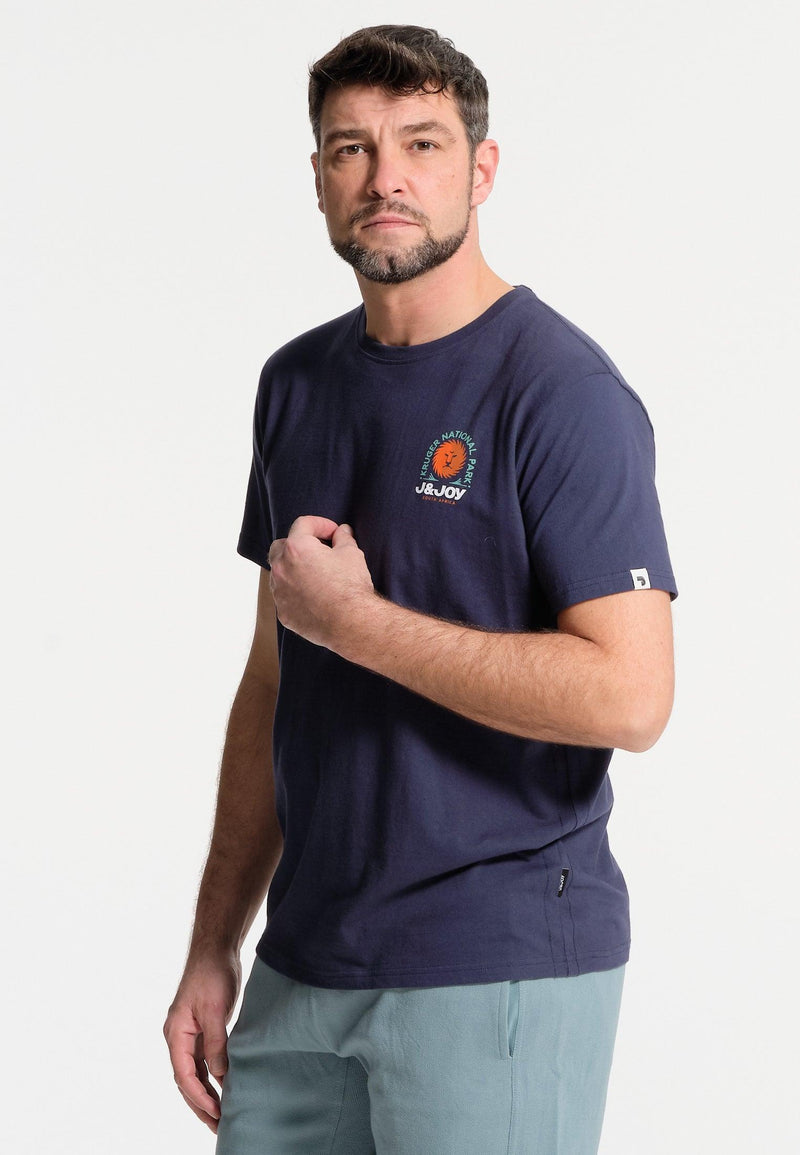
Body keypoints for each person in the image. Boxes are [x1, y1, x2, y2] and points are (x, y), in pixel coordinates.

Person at [164, 24, 678, 1154]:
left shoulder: (561, 392)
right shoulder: (295, 384)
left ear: (480, 169)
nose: (384, 176)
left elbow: (632, 696)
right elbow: (273, 680)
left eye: (422, 143)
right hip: (302, 967)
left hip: (491, 966)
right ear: (317, 179)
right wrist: (214, 941)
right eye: (351, 148)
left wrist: (359, 623)